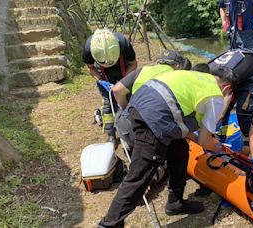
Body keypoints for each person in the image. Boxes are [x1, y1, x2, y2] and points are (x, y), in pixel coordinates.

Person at [98, 67, 236, 228]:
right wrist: (218, 148)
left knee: (179, 149)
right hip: (154, 117)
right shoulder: (215, 95)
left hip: (140, 105)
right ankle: (109, 224)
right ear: (227, 88)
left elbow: (185, 125)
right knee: (140, 175)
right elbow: (205, 141)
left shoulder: (197, 77)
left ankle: (175, 203)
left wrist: (202, 139)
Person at [112, 49, 191, 150]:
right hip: (154, 131)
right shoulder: (178, 77)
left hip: (128, 126)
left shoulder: (143, 70)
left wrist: (125, 108)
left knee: (122, 110)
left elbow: (116, 90)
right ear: (177, 66)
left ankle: (131, 145)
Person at [82, 28, 137, 142]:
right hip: (103, 73)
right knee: (108, 102)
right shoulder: (89, 48)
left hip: (124, 69)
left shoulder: (123, 43)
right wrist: (101, 80)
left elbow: (133, 64)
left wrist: (124, 81)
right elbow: (91, 68)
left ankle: (132, 127)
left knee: (128, 99)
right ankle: (110, 133)